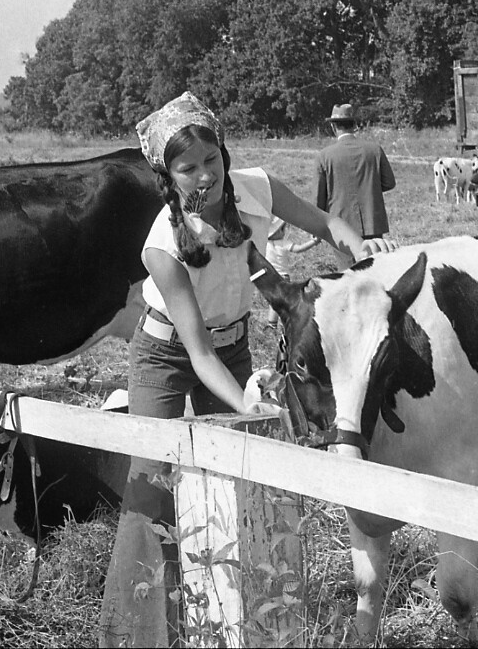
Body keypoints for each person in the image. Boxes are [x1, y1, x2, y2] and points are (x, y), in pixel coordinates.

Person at [99, 91, 395, 648]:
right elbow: (197, 352)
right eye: (189, 168)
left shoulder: (256, 188)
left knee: (238, 480)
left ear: (224, 155)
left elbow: (327, 222)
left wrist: (357, 243)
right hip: (167, 355)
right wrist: (242, 404)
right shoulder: (162, 247)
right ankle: (135, 634)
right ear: (170, 176)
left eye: (212, 160)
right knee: (151, 486)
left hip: (233, 344)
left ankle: (241, 618)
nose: (204, 175)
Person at [316, 103, 396, 270]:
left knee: (347, 274)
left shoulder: (324, 156)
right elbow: (389, 182)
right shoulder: (374, 150)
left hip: (341, 225)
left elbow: (319, 198)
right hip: (372, 222)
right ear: (354, 125)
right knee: (373, 270)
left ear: (333, 127)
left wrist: (317, 228)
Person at [264, 216, 319, 328]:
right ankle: (288, 320)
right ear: (279, 231)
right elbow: (299, 249)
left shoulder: (266, 244)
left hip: (269, 277)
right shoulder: (283, 243)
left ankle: (272, 322)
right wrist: (314, 241)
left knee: (274, 301)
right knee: (285, 301)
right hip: (283, 277)